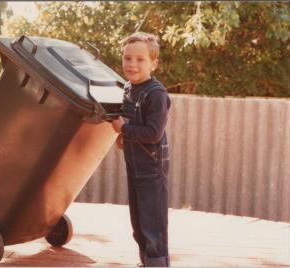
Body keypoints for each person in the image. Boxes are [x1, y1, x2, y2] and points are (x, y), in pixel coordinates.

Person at [111, 32, 171, 267]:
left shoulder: (156, 94)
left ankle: (157, 263)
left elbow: (153, 133)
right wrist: (123, 138)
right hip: (134, 164)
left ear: (153, 63)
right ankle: (146, 262)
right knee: (138, 222)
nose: (132, 64)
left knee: (153, 224)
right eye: (127, 58)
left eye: (140, 59)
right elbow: (131, 122)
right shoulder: (128, 88)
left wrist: (124, 131)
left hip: (151, 167)